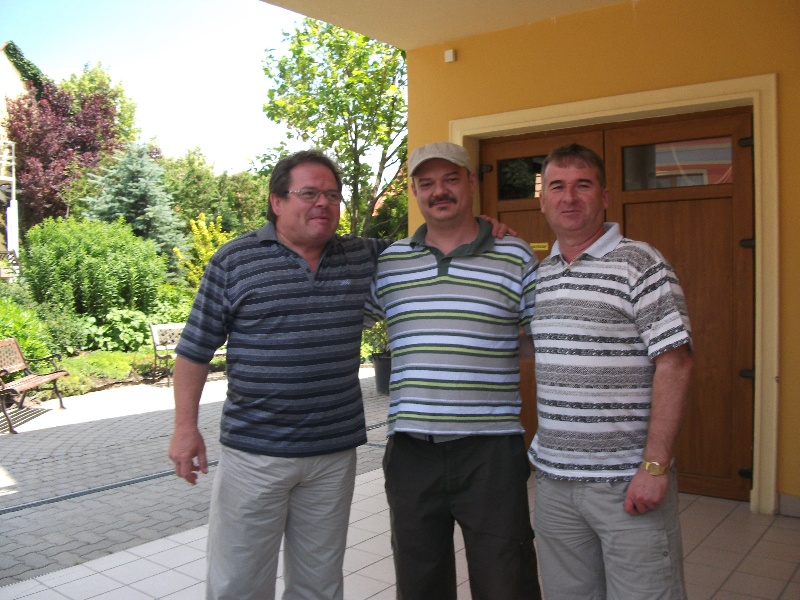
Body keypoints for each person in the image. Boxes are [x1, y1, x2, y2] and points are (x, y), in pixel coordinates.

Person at [167, 149, 513, 600]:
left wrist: (483, 227)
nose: (323, 204)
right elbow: (194, 349)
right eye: (309, 193)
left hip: (332, 455)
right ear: (276, 201)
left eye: (332, 195)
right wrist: (185, 427)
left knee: (320, 584)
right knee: (238, 583)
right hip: (255, 453)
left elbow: (437, 240)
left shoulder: (362, 255)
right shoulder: (235, 261)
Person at [364, 141, 542, 600]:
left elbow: (541, 340)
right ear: (415, 192)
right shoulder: (391, 262)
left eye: (450, 179)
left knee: (506, 580)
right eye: (426, 183)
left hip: (490, 451)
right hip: (411, 451)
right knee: (419, 583)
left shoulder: (514, 255)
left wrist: (484, 348)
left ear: (471, 183)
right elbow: (342, 313)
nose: (438, 191)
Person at [527, 143, 693, 600]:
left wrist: (655, 466)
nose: (569, 197)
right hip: (555, 485)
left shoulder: (640, 263)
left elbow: (675, 362)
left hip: (625, 482)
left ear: (603, 197)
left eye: (582, 185)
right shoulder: (542, 275)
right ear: (543, 201)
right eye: (557, 186)